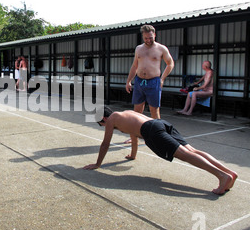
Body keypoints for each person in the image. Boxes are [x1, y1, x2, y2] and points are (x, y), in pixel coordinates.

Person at [83, 107, 237, 195]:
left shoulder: (112, 119)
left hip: (151, 131)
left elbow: (105, 144)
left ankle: (222, 176)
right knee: (193, 151)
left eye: (100, 124)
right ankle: (229, 174)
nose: (103, 126)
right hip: (159, 123)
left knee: (185, 155)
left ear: (103, 118)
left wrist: (97, 164)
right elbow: (134, 136)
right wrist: (133, 155)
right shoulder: (125, 114)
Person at [125, 25, 174, 119]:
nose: (148, 40)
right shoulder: (138, 48)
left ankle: (157, 132)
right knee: (137, 110)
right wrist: (128, 81)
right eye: (146, 38)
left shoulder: (161, 48)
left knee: (154, 110)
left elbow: (170, 64)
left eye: (150, 38)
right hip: (139, 82)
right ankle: (136, 132)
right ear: (143, 37)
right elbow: (135, 66)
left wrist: (162, 79)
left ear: (154, 35)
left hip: (153, 82)